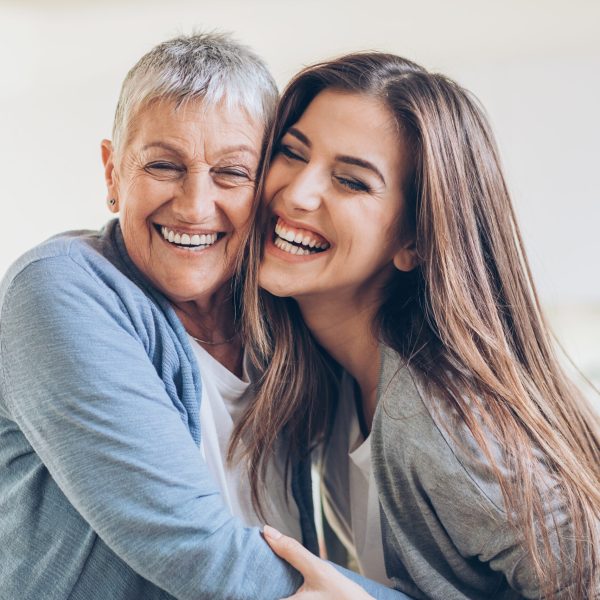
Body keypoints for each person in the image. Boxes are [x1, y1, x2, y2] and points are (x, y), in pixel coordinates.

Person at [0, 35, 401, 600]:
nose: (194, 205)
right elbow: (199, 552)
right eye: (163, 165)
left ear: (267, 188)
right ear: (113, 174)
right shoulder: (58, 288)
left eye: (232, 173)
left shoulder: (281, 320)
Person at [237, 52, 600, 599]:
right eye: (291, 153)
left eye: (352, 182)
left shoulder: (443, 422)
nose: (296, 193)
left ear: (414, 241)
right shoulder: (332, 381)